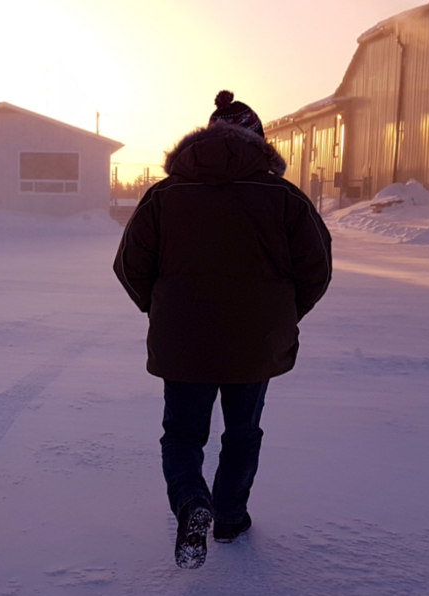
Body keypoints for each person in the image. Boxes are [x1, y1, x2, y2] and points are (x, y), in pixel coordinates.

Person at [113, 91, 331, 569]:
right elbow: (316, 268)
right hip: (255, 345)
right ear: (259, 141)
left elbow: (130, 264)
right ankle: (230, 518)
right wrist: (282, 316)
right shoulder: (284, 198)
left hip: (182, 342)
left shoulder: (165, 195)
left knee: (184, 434)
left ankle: (192, 501)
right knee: (242, 432)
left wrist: (162, 309)